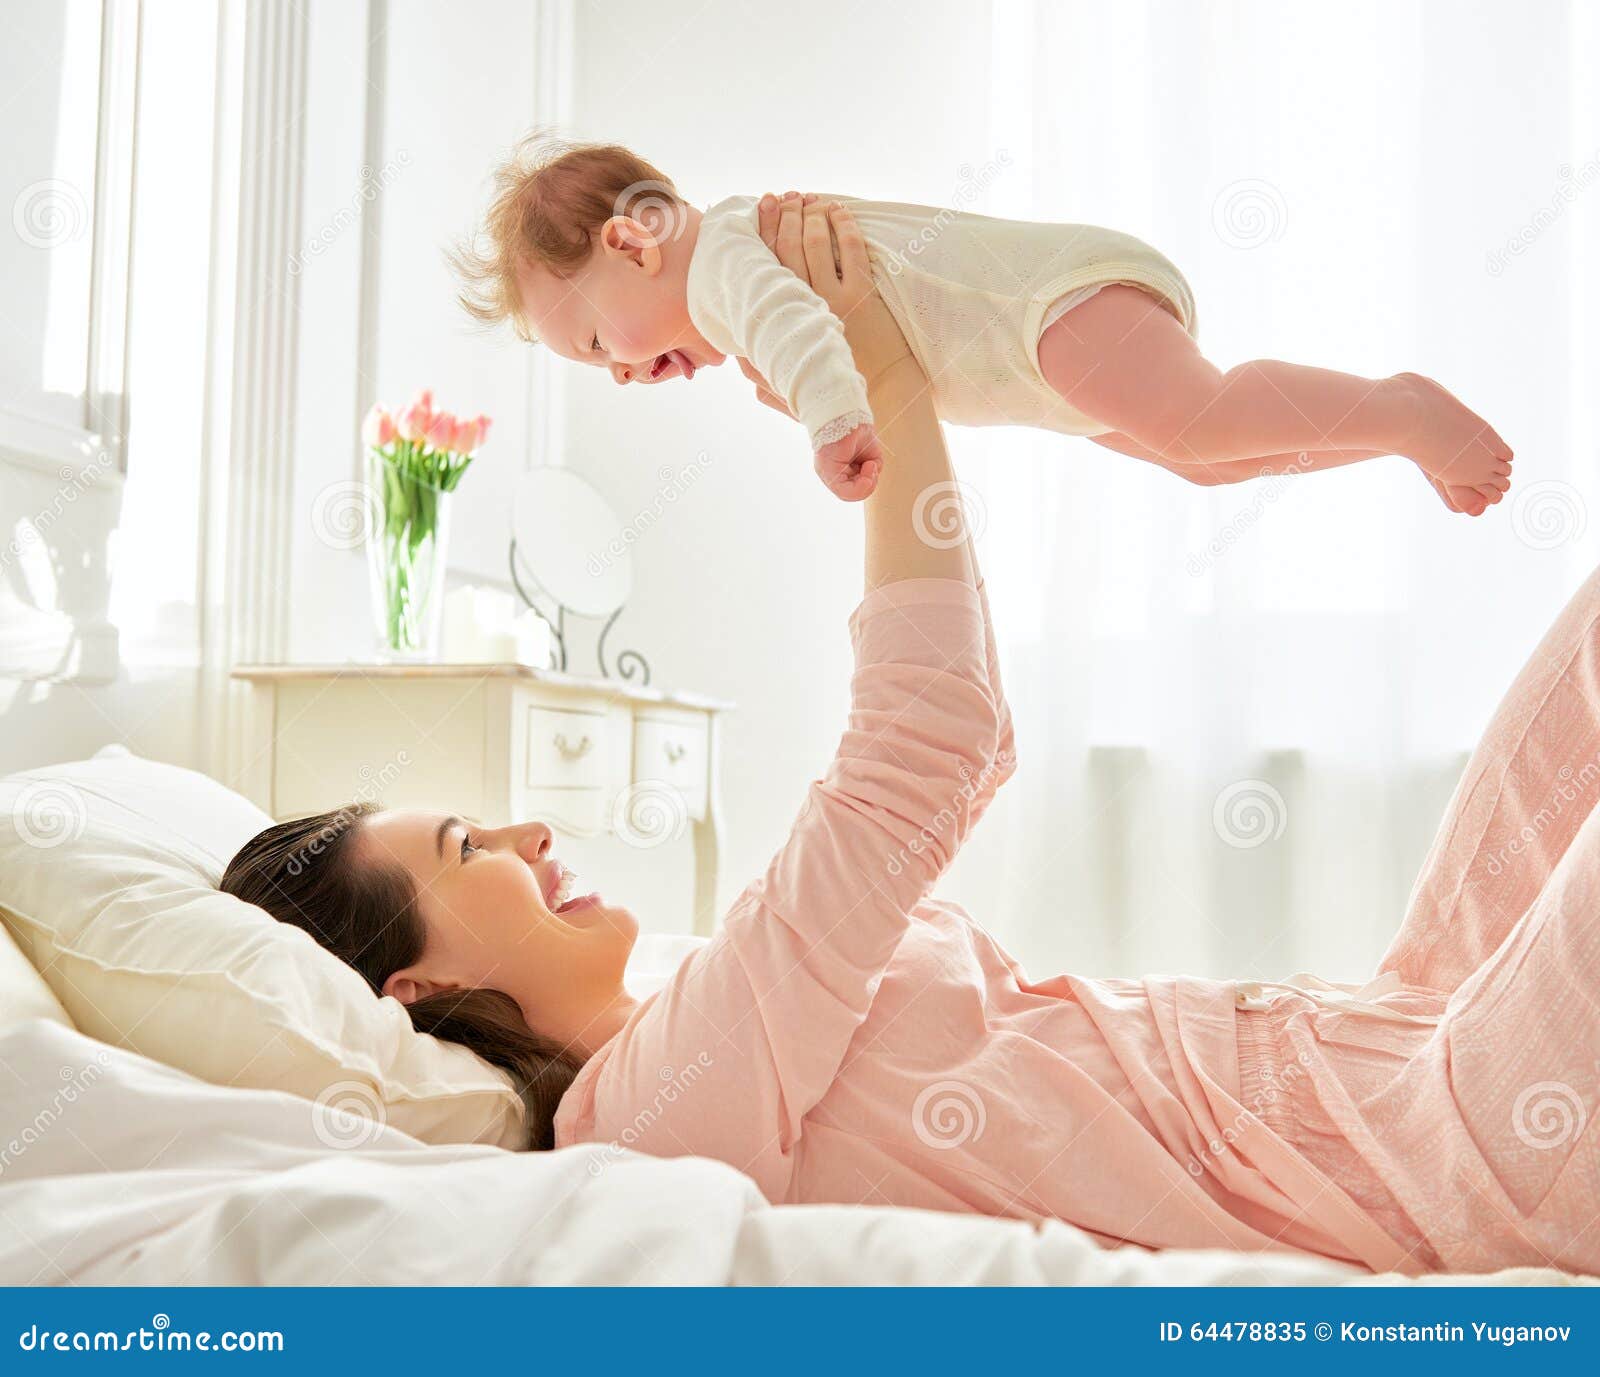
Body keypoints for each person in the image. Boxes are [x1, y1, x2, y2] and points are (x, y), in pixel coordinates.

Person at [227, 198, 1594, 1276]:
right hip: (1432, 1153)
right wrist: (880, 365)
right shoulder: (645, 1114)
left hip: (1401, 1022)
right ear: (409, 987)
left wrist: (885, 368)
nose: (530, 833)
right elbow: (930, 743)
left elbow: (958, 745)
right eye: (468, 846)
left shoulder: (704, 1004)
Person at [452, 135, 1513, 513]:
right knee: (1207, 463)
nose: (621, 377)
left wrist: (830, 426)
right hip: (1042, 359)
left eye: (597, 346)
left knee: (1199, 424)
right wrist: (819, 401)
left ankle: (1400, 408)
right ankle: (1379, 435)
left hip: (1044, 311)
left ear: (634, 242)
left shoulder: (730, 257)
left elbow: (799, 329)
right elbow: (821, 345)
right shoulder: (737, 294)